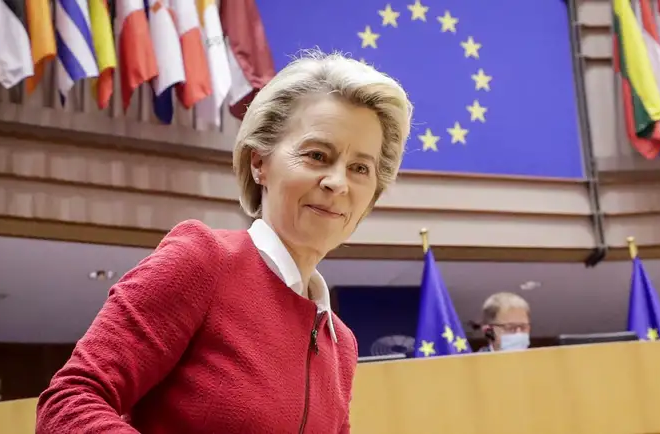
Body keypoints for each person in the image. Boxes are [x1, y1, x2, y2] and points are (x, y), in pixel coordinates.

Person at [36, 50, 412, 433]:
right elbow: (69, 401)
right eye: (317, 155)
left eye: (360, 168)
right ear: (259, 163)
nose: (338, 183)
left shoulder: (342, 344)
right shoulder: (203, 260)